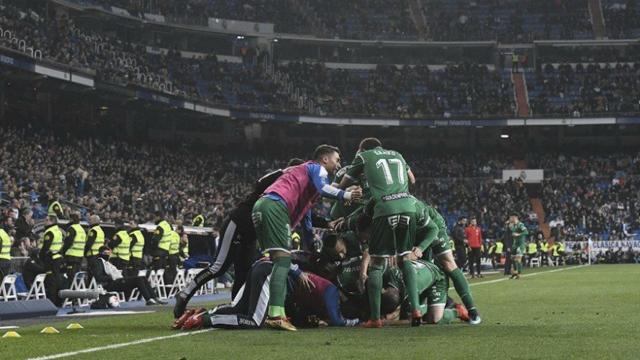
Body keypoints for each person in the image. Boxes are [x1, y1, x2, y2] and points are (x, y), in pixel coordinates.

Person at [173, 158, 305, 319]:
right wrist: (284, 173)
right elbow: (260, 182)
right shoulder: (281, 178)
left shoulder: (293, 193)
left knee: (243, 273)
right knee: (218, 267)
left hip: (251, 235)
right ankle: (184, 294)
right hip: (238, 223)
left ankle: (236, 307)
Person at [253, 144, 361, 331]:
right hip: (275, 206)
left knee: (278, 261)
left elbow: (307, 224)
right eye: (336, 160)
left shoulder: (306, 189)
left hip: (262, 207)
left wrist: (313, 248)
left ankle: (274, 311)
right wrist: (347, 195)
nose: (338, 165)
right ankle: (276, 315)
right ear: (325, 159)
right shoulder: (315, 167)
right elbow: (325, 188)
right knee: (283, 261)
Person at [338, 137, 421, 328]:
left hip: (385, 208)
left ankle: (375, 318)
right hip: (408, 206)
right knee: (405, 258)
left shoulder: (364, 156)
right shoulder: (398, 154)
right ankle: (416, 310)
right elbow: (413, 179)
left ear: (362, 149)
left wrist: (346, 189)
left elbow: (343, 185)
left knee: (376, 262)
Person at [89, 246, 166, 306]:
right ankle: (149, 300)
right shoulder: (98, 262)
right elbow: (98, 277)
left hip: (118, 280)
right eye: (106, 253)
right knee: (138, 280)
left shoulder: (106, 261)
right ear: (101, 253)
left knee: (142, 277)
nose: (108, 255)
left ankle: (154, 298)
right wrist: (110, 278)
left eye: (109, 253)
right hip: (111, 284)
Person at [62, 212, 86, 279]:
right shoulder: (82, 229)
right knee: (77, 275)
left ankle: (70, 288)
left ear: (72, 220)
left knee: (71, 275)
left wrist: (63, 252)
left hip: (71, 256)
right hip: (80, 256)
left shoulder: (72, 228)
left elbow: (68, 242)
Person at [508, 213, 528, 279]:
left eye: (511, 218)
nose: (510, 219)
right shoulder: (513, 225)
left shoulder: (520, 224)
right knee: (513, 259)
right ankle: (515, 273)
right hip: (515, 244)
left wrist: (518, 234)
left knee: (518, 259)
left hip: (520, 244)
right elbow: (512, 233)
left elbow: (526, 232)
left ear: (515, 217)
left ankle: (519, 274)